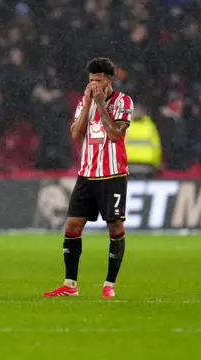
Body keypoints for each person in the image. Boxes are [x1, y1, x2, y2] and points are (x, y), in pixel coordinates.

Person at [43, 57, 134, 298]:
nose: (93, 84)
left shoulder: (123, 101)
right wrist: (86, 104)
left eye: (98, 80)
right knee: (72, 226)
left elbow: (115, 135)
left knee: (115, 226)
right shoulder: (86, 103)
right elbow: (76, 134)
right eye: (91, 80)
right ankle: (70, 284)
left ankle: (109, 285)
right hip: (87, 175)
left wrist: (102, 105)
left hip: (113, 175)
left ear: (109, 80)